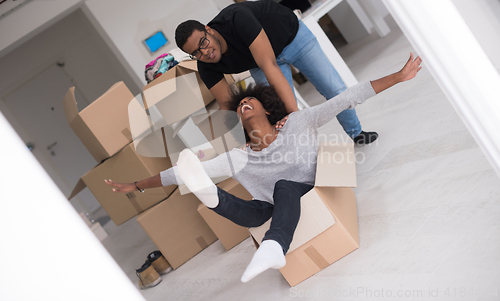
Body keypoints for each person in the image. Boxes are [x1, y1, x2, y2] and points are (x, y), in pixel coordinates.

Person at [106, 54, 422, 283]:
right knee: (245, 206)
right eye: (240, 105)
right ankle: (210, 195)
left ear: (267, 107)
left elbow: (347, 98)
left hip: (307, 188)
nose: (244, 104)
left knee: (284, 186)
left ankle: (274, 245)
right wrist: (136, 185)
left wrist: (398, 76)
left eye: (250, 101)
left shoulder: (298, 122)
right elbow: (178, 174)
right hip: (269, 208)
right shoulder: (239, 156)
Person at [175, 0, 378, 145]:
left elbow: (269, 65)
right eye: (195, 53)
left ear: (209, 30)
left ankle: (357, 134)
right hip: (259, 61)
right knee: (277, 112)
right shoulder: (205, 65)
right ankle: (306, 155)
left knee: (334, 88)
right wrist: (247, 141)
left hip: (293, 38)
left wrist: (297, 118)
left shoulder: (237, 19)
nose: (205, 52)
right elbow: (228, 106)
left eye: (203, 42)